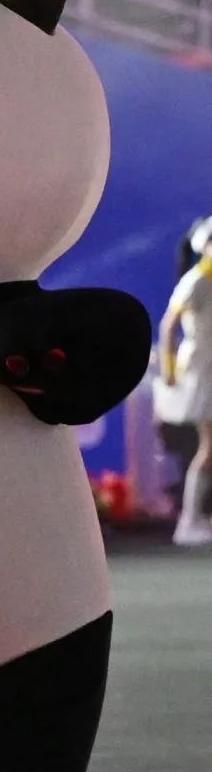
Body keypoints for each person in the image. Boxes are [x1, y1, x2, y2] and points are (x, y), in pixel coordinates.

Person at [157, 215, 212, 545]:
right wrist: (169, 371)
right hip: (202, 373)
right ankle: (189, 521)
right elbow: (168, 326)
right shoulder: (197, 280)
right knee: (208, 448)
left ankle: (195, 517)